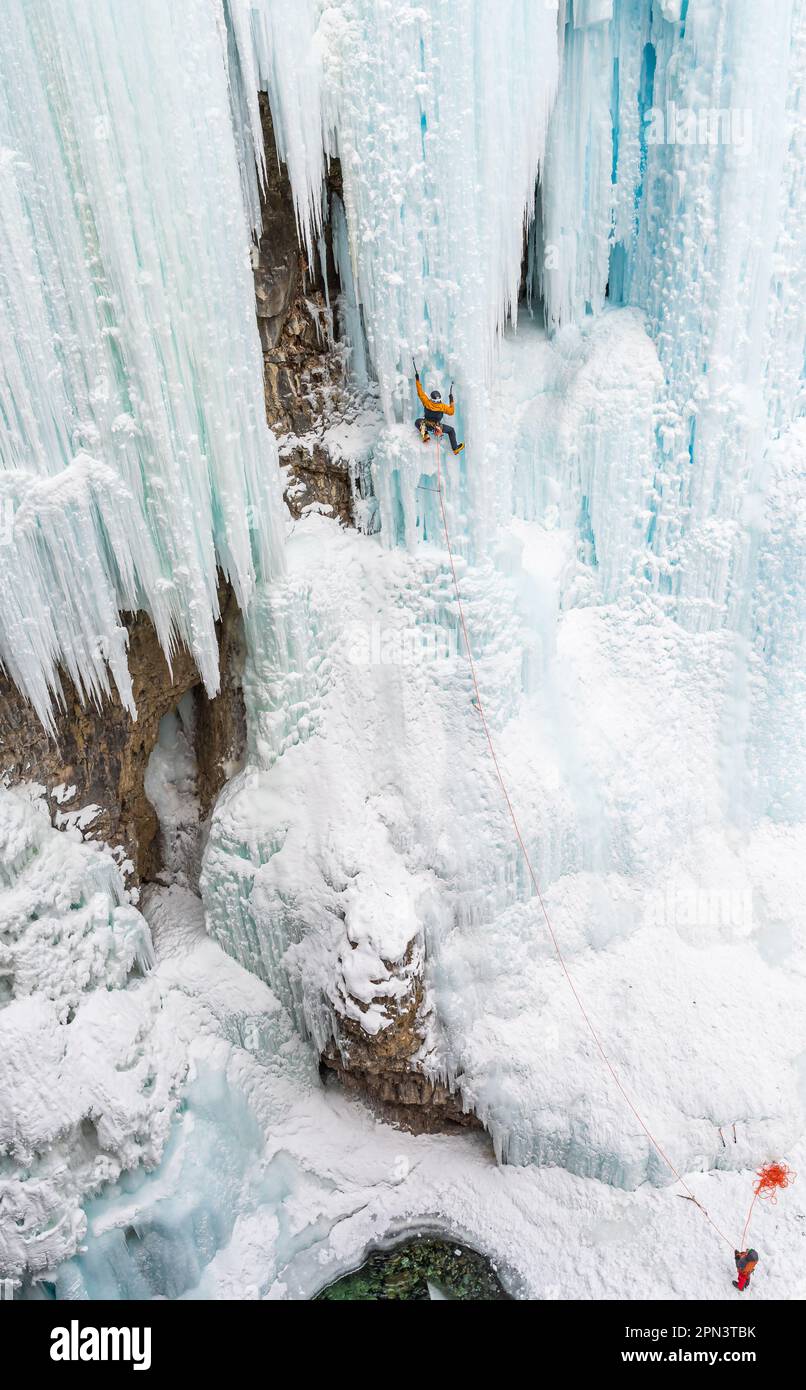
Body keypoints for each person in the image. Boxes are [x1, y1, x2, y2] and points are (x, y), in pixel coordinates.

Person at [414, 369, 464, 454]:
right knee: (451, 430)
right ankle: (455, 448)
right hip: (437, 427)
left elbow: (420, 393)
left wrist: (417, 379)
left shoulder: (426, 402)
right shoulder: (442, 407)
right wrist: (451, 399)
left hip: (426, 424)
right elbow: (451, 412)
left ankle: (425, 435)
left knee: (418, 421)